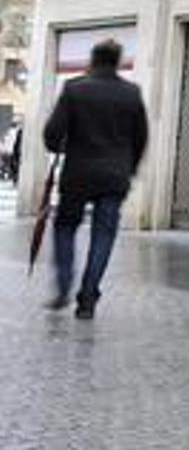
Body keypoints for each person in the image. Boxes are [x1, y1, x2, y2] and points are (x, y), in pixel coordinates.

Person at [42, 40, 147, 319]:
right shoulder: (131, 93)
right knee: (103, 235)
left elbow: (51, 134)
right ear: (117, 61)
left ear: (92, 59)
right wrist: (129, 168)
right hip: (114, 177)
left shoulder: (74, 89)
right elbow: (141, 138)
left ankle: (64, 286)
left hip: (77, 175)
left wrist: (62, 146)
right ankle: (88, 297)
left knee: (65, 228)